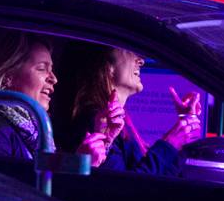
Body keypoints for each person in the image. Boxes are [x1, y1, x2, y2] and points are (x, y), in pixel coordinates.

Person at [61, 45, 200, 175]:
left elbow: (159, 178)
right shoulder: (96, 121)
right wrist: (170, 144)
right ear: (108, 67)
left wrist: (183, 131)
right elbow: (127, 188)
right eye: (129, 52)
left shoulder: (117, 120)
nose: (141, 61)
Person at [0, 30, 106, 164]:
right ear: (8, 76)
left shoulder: (38, 130)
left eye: (51, 70)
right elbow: (3, 184)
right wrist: (78, 164)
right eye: (42, 68)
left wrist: (103, 137)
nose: (54, 79)